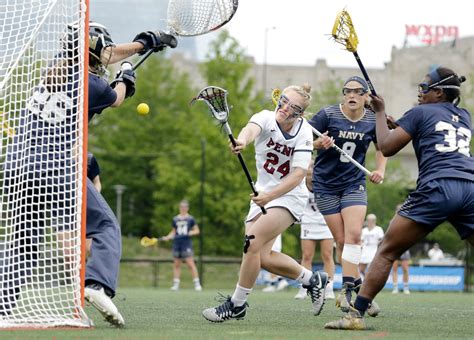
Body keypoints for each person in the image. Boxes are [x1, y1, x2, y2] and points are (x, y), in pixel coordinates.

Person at [325, 66, 474, 330]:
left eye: (425, 87)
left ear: (439, 93)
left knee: (386, 251)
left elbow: (386, 147)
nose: (420, 92)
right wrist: (398, 126)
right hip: (469, 187)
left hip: (437, 187)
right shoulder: (464, 116)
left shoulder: (419, 112)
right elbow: (429, 133)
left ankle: (355, 316)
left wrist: (380, 112)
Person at [202, 84, 328, 323]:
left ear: (300, 114)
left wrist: (270, 197)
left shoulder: (303, 132)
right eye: (283, 101)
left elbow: (299, 174)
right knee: (263, 256)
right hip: (263, 194)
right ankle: (312, 280)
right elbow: (250, 130)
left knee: (251, 242)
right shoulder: (265, 117)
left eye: (293, 107)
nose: (285, 108)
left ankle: (237, 305)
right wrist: (242, 141)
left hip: (289, 196)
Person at [83, 22, 177, 326]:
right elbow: (117, 97)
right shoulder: (92, 83)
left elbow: (103, 53)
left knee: (26, 235)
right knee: (107, 226)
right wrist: (125, 76)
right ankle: (96, 285)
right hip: (57, 162)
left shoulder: (57, 72)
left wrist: (142, 44)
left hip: (22, 160)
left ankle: (6, 300)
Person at [308, 76, 387, 316]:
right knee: (343, 243)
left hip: (354, 184)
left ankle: (347, 290)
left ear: (366, 96)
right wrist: (318, 144)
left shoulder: (373, 119)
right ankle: (362, 289)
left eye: (357, 91)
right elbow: (303, 139)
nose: (351, 95)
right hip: (325, 185)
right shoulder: (328, 114)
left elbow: (383, 146)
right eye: (347, 91)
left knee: (354, 235)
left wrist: (380, 170)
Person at [294, 159, 335, 300]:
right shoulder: (299, 185)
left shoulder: (324, 183)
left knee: (327, 255)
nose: (311, 171)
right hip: (308, 223)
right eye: (308, 168)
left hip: (325, 222)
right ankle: (304, 287)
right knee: (306, 256)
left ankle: (328, 287)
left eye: (313, 168)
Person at [160, 200, 202, 292]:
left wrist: (191, 232)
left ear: (187, 208)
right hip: (176, 243)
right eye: (181, 207)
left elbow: (197, 230)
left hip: (186, 244)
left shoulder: (191, 219)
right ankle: (176, 284)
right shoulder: (175, 219)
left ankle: (197, 284)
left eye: (185, 207)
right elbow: (174, 232)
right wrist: (167, 237)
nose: (183, 208)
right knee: (176, 264)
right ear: (179, 208)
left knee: (190, 264)